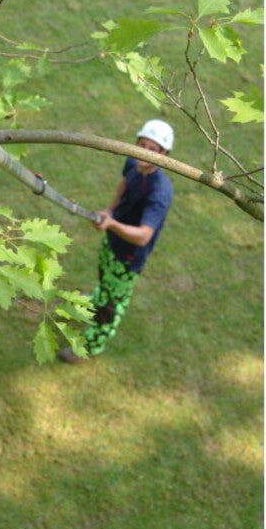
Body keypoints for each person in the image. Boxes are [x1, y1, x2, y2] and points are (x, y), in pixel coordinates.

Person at [58, 119, 175, 364]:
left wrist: (111, 224)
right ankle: (97, 298)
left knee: (111, 306)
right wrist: (111, 212)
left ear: (164, 154)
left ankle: (91, 345)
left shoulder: (160, 192)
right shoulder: (133, 162)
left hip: (129, 259)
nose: (143, 152)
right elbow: (124, 183)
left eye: (152, 149)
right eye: (141, 144)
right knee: (104, 280)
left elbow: (144, 236)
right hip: (112, 243)